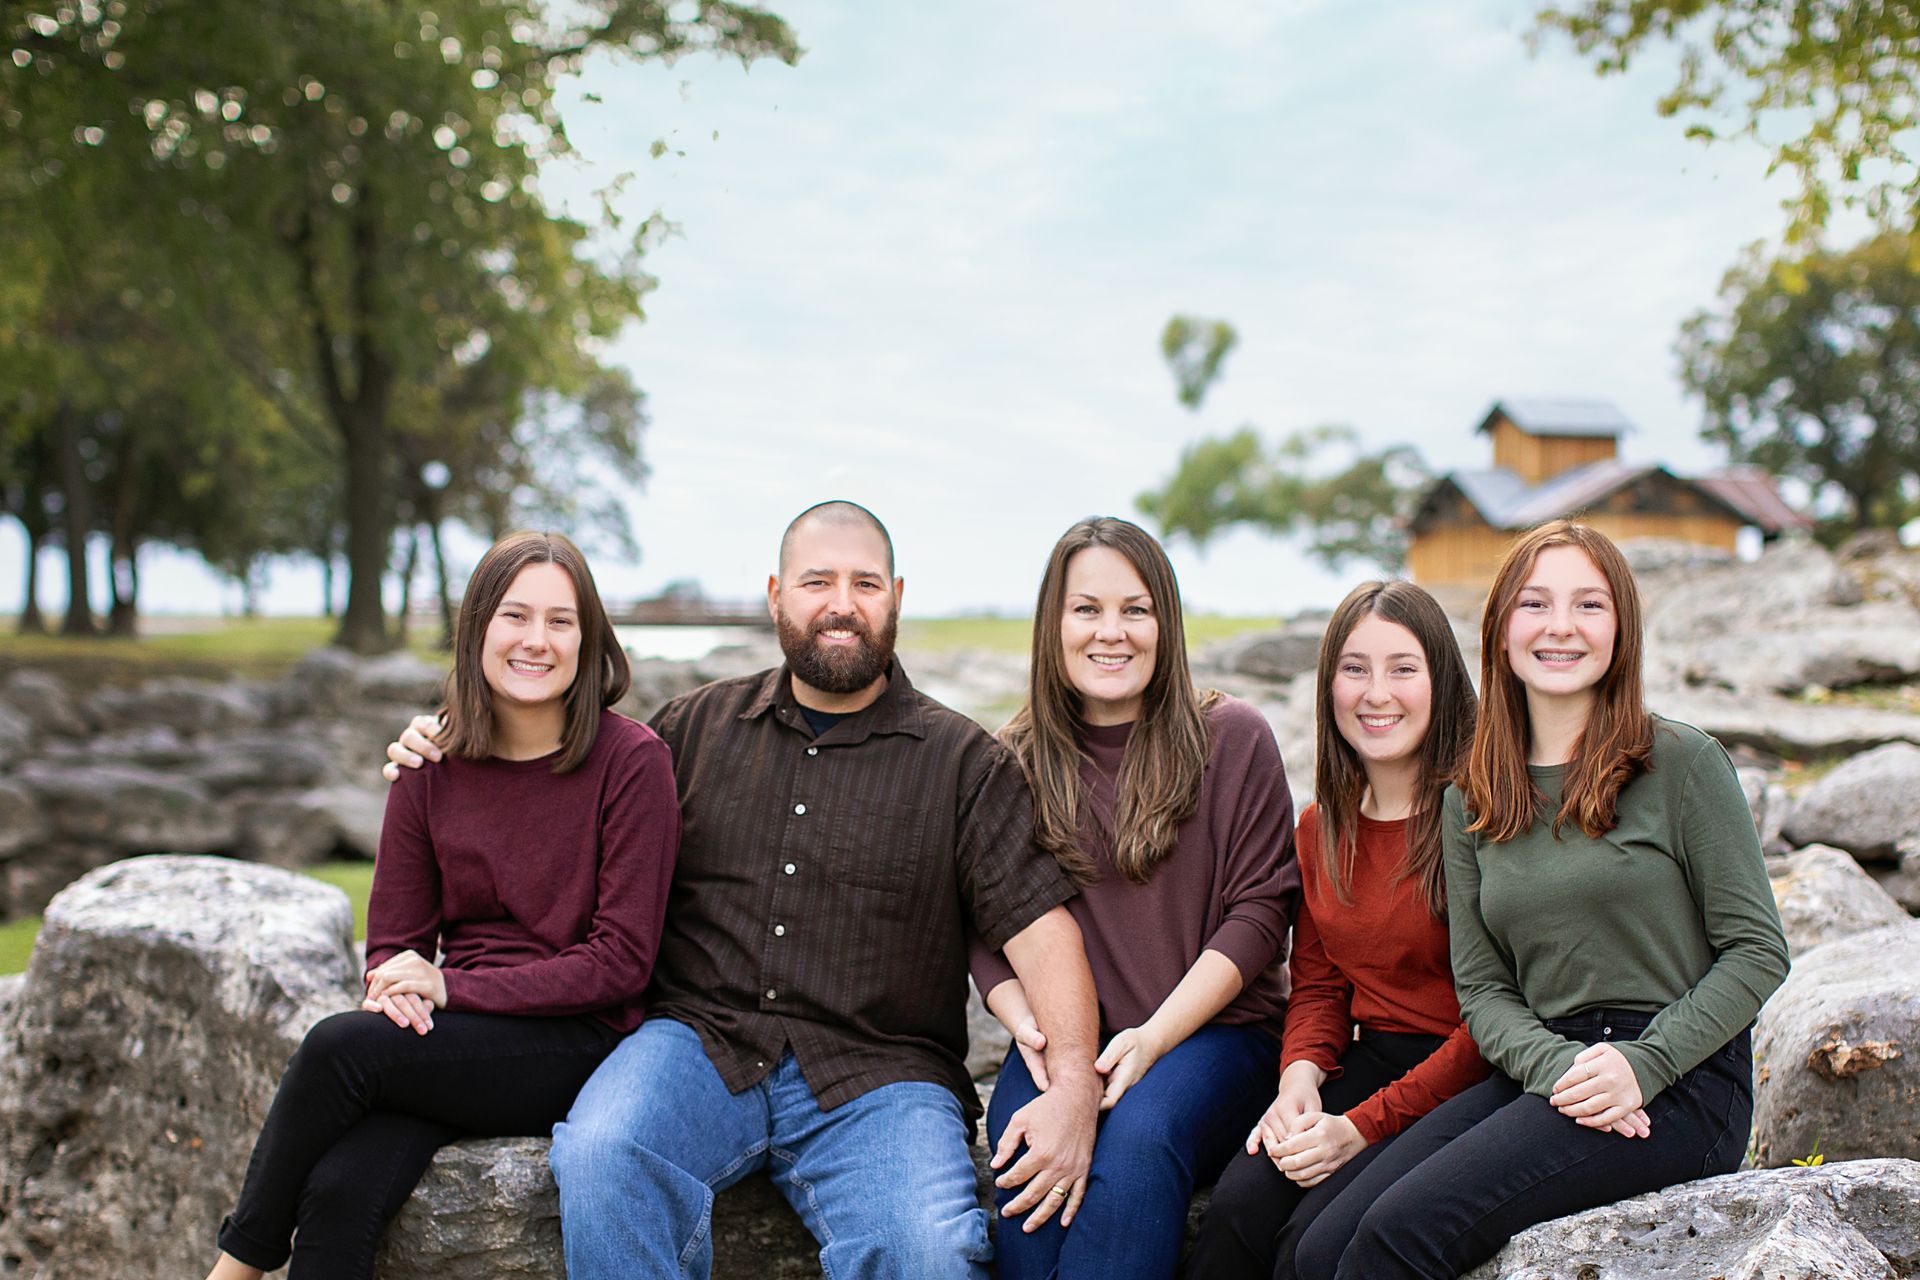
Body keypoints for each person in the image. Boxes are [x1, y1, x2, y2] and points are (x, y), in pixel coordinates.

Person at [385, 501, 1102, 1280]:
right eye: (816, 581)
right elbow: (550, 780)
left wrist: (1072, 1091)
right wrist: (451, 747)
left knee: (926, 1252)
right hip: (695, 1044)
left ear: (896, 596)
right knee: (601, 1154)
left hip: (881, 1077)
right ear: (774, 595)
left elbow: (1043, 930)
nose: (840, 604)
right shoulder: (688, 730)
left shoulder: (964, 762)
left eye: (864, 583)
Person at [1292, 521, 1790, 1280]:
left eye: (1588, 606)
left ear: (1620, 631)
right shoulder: (1471, 794)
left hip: (1682, 1080)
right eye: (1535, 604)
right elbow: (1485, 987)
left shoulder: (1683, 762)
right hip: (1540, 1062)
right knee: (1321, 1248)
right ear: (1499, 630)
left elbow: (1758, 951)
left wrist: (1644, 1063)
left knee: (1399, 1237)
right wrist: (1557, 1065)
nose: (1560, 627)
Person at [206, 531, 680, 1280]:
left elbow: (620, 964)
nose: (536, 640)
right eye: (515, 616)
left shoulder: (632, 763)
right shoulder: (429, 765)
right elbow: (391, 945)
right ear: (478, 628)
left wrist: (449, 986)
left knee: (338, 1048)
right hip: (460, 1044)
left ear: (588, 641)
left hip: (581, 1041)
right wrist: (406, 996)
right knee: (336, 1190)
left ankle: (233, 1270)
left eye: (561, 621)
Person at [965, 516, 1300, 1280]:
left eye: (1135, 609)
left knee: (1140, 1137)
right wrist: (1033, 1033)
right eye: (1086, 609)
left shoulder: (1233, 737)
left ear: (1165, 623)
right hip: (1062, 1034)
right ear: (1053, 624)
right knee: (1019, 1138)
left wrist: (1150, 1041)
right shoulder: (1011, 761)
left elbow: (1259, 916)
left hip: (1215, 1035)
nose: (1110, 632)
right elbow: (985, 927)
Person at [1186, 580, 1489, 1279]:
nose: (1375, 693)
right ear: (1328, 687)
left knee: (1312, 1247)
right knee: (1237, 1211)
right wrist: (1298, 1082)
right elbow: (1319, 984)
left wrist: (1357, 1130)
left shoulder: (1481, 819)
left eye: (1402, 669)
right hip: (1371, 1058)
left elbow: (1496, 1019)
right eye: (1355, 669)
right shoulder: (1321, 829)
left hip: (1473, 1070)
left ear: (1441, 682)